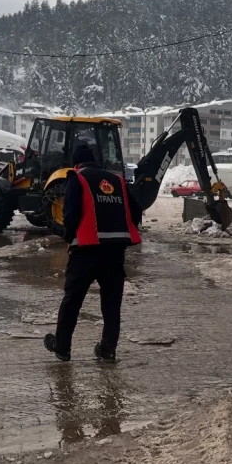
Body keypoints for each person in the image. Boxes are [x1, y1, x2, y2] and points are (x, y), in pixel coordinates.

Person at [44, 144, 142, 363]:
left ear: (76, 162)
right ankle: (108, 349)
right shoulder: (117, 181)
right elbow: (135, 211)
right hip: (115, 252)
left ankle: (62, 347)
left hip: (86, 251)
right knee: (111, 304)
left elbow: (71, 213)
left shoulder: (77, 177)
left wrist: (69, 236)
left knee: (73, 300)